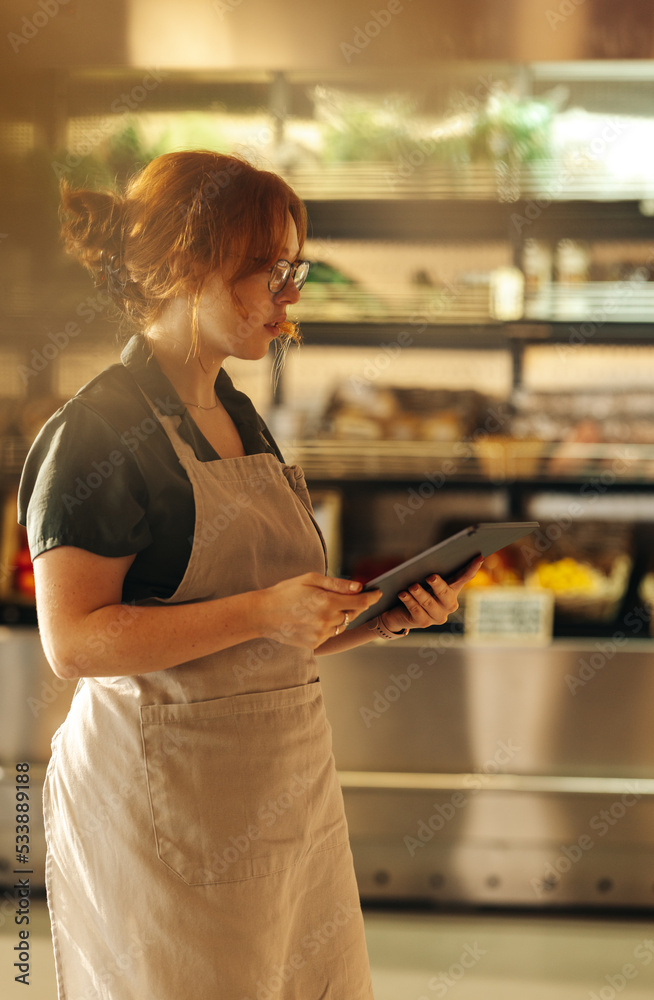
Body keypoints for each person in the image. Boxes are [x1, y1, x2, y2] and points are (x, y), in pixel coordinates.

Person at [18, 149, 481, 1000]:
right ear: (189, 265)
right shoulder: (95, 433)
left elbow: (253, 645)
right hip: (165, 807)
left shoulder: (236, 412)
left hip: (288, 798)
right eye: (272, 271)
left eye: (294, 269)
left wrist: (370, 620)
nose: (292, 296)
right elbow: (76, 642)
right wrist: (268, 609)